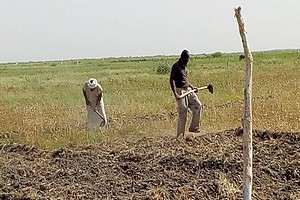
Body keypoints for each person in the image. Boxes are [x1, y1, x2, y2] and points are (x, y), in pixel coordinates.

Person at [170, 50, 202, 137]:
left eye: (188, 60)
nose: (187, 61)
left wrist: (192, 87)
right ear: (182, 58)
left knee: (198, 105)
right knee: (183, 111)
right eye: (186, 59)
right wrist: (175, 94)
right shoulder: (176, 66)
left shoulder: (185, 67)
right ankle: (180, 136)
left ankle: (194, 127)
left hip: (188, 90)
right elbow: (172, 80)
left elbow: (185, 80)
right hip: (180, 91)